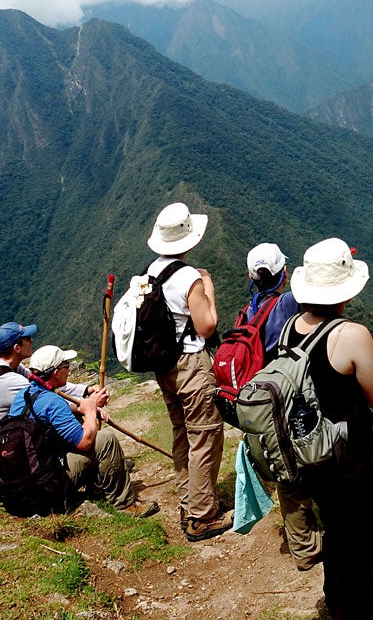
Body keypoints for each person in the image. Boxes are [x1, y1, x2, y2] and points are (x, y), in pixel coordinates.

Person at [288, 237, 373, 620]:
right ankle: (357, 612)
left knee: (336, 530)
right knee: (363, 537)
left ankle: (336, 602)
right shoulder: (351, 334)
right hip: (353, 459)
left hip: (311, 455)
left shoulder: (290, 329)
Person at [146, 202, 233, 542]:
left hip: (164, 366)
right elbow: (207, 326)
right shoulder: (189, 278)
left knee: (182, 433)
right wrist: (208, 287)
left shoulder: (150, 272)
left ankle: (190, 501)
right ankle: (202, 517)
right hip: (191, 365)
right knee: (205, 436)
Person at [240, 243, 321, 571]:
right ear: (284, 274)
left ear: (252, 277)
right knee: (317, 460)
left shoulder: (249, 311)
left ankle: (303, 547)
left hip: (263, 401)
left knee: (286, 473)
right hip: (292, 395)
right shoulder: (288, 302)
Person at [9, 345, 159, 517]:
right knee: (105, 440)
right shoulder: (52, 402)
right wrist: (90, 412)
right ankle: (125, 504)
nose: (68, 370)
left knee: (80, 424)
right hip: (48, 483)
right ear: (56, 373)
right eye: (66, 366)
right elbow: (85, 442)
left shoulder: (24, 395)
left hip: (27, 479)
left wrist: (86, 406)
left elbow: (58, 410)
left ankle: (98, 485)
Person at [0, 321, 103, 439]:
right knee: (69, 420)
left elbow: (44, 381)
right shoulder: (9, 381)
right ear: (17, 348)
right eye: (27, 339)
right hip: (6, 441)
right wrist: (87, 406)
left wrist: (87, 390)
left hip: (15, 429)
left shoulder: (3, 364)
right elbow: (48, 399)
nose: (31, 341)